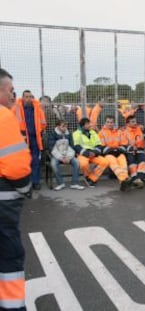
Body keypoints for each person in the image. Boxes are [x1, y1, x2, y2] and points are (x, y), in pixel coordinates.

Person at [0, 68, 32, 310]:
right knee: (10, 259)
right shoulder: (3, 116)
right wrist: (26, 188)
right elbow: (16, 166)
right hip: (3, 206)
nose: (14, 96)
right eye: (11, 90)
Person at [12, 90, 47, 190]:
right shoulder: (17, 108)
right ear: (22, 97)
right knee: (23, 161)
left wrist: (39, 131)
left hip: (35, 139)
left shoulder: (37, 108)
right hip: (22, 139)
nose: (28, 99)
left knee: (35, 160)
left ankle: (35, 182)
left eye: (30, 96)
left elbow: (43, 123)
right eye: (26, 96)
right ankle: (24, 183)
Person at [47, 120, 84, 191]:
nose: (65, 128)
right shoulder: (52, 134)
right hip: (57, 155)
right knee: (53, 164)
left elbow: (72, 147)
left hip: (67, 155)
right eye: (63, 126)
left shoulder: (69, 134)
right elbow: (52, 148)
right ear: (57, 126)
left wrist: (68, 157)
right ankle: (60, 183)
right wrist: (61, 158)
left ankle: (74, 183)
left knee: (76, 162)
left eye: (66, 126)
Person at [72, 118, 109, 187]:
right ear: (82, 126)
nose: (89, 125)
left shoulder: (93, 132)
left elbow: (98, 144)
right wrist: (87, 153)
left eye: (89, 123)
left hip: (93, 153)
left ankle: (92, 178)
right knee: (83, 164)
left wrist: (94, 153)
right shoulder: (76, 133)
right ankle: (87, 176)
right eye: (87, 124)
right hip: (82, 154)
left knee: (105, 162)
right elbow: (76, 146)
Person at [99, 115, 132, 191]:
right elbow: (102, 147)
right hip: (109, 154)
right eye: (108, 122)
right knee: (114, 164)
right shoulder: (101, 133)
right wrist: (114, 150)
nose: (110, 124)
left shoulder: (119, 132)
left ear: (114, 123)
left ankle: (123, 182)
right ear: (105, 123)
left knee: (123, 162)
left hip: (119, 152)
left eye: (111, 122)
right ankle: (124, 179)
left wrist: (118, 150)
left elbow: (124, 144)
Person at [123, 115, 145, 188]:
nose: (135, 123)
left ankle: (138, 178)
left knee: (142, 162)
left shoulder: (140, 129)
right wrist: (132, 148)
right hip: (130, 151)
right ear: (128, 123)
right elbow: (123, 144)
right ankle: (137, 179)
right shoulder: (124, 132)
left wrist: (144, 130)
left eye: (135, 121)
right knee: (132, 163)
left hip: (141, 150)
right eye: (133, 122)